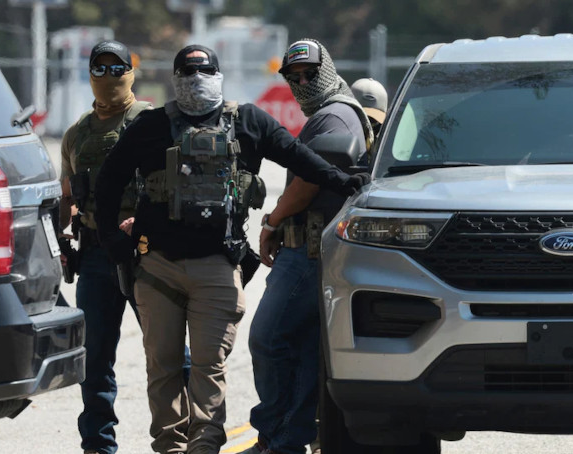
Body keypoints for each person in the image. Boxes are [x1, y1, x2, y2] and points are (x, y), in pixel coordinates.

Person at [92, 44, 369, 454]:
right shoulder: (152, 126)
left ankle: (202, 446)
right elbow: (108, 182)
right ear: (175, 78)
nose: (196, 81)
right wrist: (114, 243)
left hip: (215, 270)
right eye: (188, 73)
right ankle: (172, 447)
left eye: (203, 72)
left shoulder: (248, 122)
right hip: (160, 270)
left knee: (204, 368)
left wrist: (345, 181)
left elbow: (300, 158)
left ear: (218, 76)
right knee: (168, 368)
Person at [58, 40, 189, 454]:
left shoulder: (151, 121)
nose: (109, 76)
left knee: (169, 352)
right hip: (96, 255)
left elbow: (178, 185)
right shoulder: (77, 134)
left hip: (147, 252)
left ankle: (186, 436)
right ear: (90, 74)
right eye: (100, 68)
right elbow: (68, 196)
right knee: (94, 357)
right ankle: (98, 444)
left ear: (131, 73)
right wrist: (60, 237)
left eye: (117, 68)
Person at [243, 39, 372, 454]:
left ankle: (277, 434)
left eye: (309, 74)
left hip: (310, 252)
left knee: (267, 337)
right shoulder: (331, 112)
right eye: (293, 77)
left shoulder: (335, 114)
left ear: (327, 71)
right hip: (309, 247)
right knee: (298, 348)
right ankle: (286, 440)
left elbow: (311, 179)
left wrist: (272, 220)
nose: (301, 83)